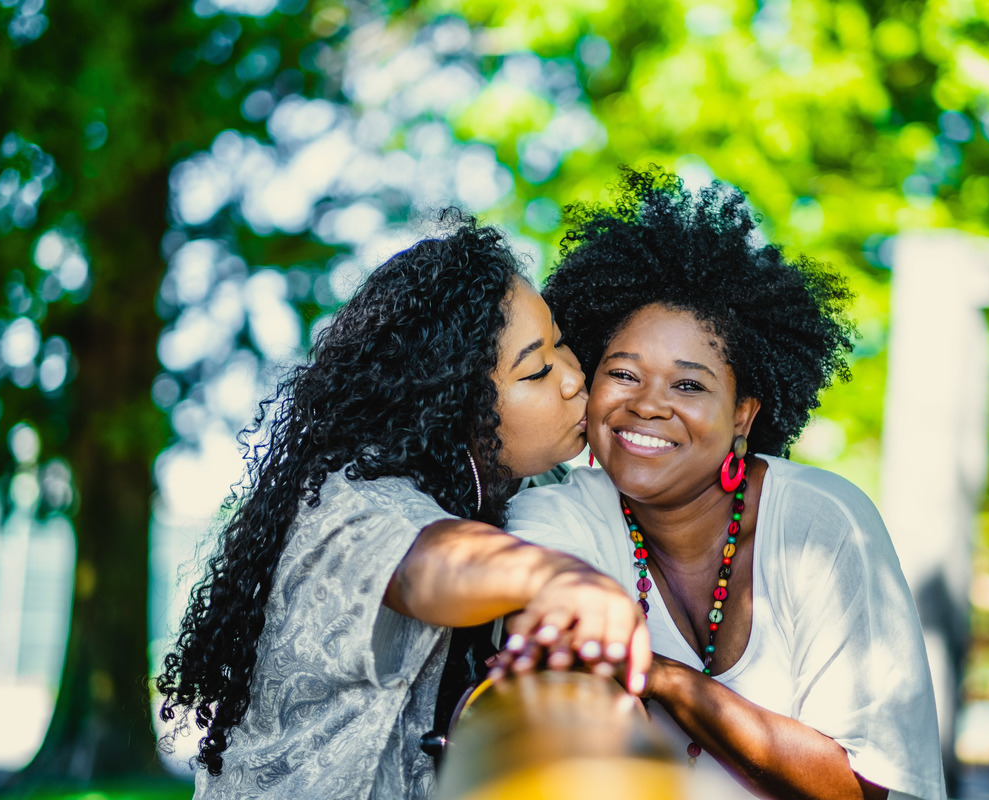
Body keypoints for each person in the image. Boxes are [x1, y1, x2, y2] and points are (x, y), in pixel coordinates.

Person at [156, 212, 650, 800]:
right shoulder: (348, 504)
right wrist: (557, 579)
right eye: (537, 370)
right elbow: (427, 564)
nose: (573, 379)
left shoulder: (529, 493)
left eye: (562, 343)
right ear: (455, 412)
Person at [506, 169, 947, 800]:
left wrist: (664, 679)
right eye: (624, 374)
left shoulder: (822, 526)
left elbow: (855, 790)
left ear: (743, 417)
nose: (649, 405)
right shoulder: (552, 519)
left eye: (689, 385)